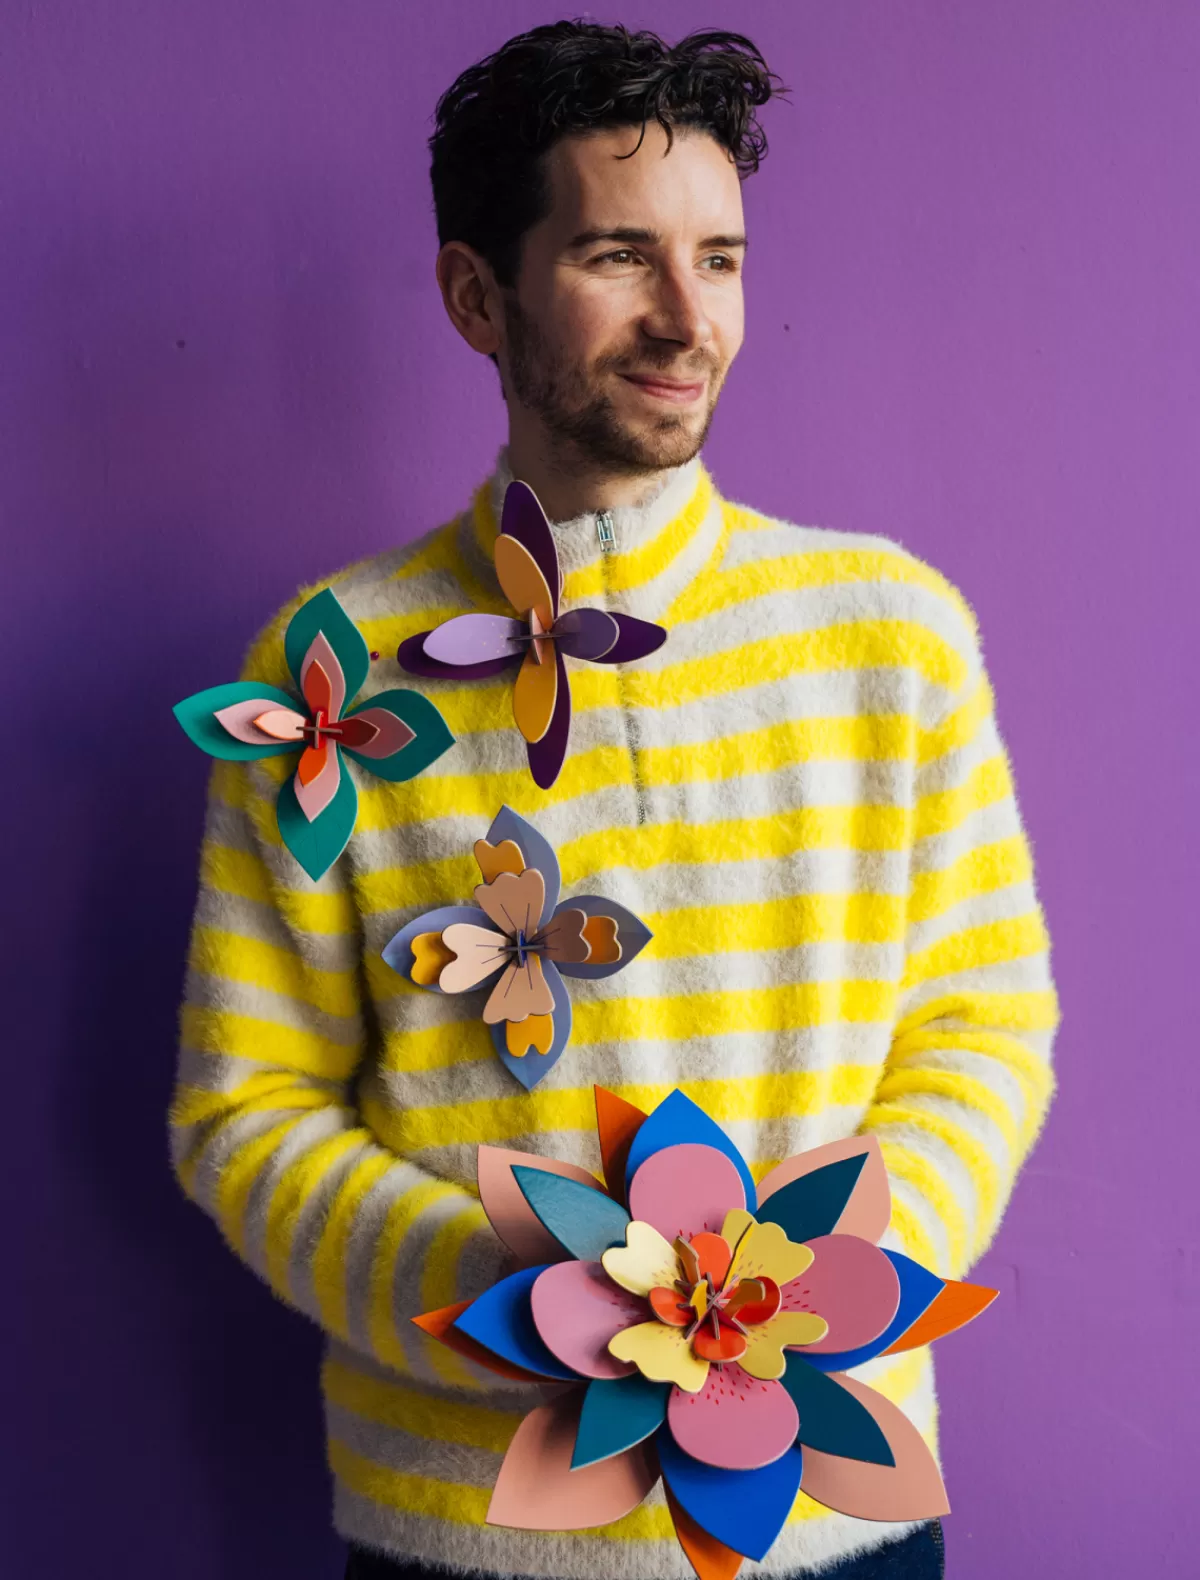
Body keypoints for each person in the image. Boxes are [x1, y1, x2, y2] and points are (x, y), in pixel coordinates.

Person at [169, 22, 1058, 1580]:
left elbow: (983, 1023)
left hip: (836, 1522)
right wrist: (512, 1304)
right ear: (475, 295)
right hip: (458, 1533)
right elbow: (244, 1110)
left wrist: (819, 1281)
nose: (684, 316)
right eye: (613, 254)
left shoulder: (891, 636)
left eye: (717, 258)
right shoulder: (324, 674)